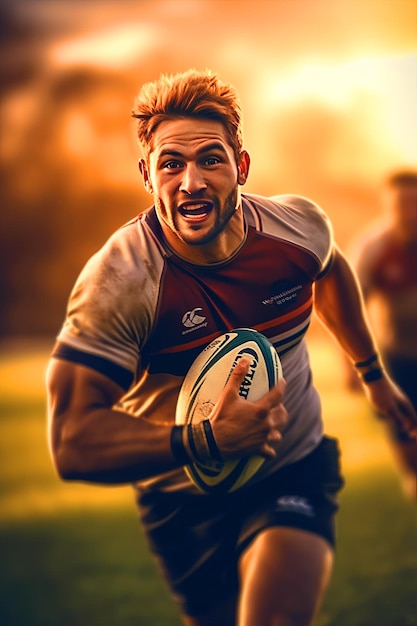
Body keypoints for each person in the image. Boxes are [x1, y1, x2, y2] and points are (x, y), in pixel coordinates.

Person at [46, 69, 417, 626]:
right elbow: (72, 440)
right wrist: (206, 439)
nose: (191, 182)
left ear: (241, 166)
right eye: (171, 164)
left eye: (211, 160)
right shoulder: (120, 283)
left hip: (292, 466)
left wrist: (371, 373)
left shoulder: (297, 228)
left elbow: (331, 270)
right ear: (147, 174)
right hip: (181, 502)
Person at [344, 170, 417, 500]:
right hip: (397, 356)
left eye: (414, 202)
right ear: (388, 205)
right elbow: (348, 309)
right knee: (405, 431)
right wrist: (353, 366)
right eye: (401, 202)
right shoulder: (373, 249)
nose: (409, 210)